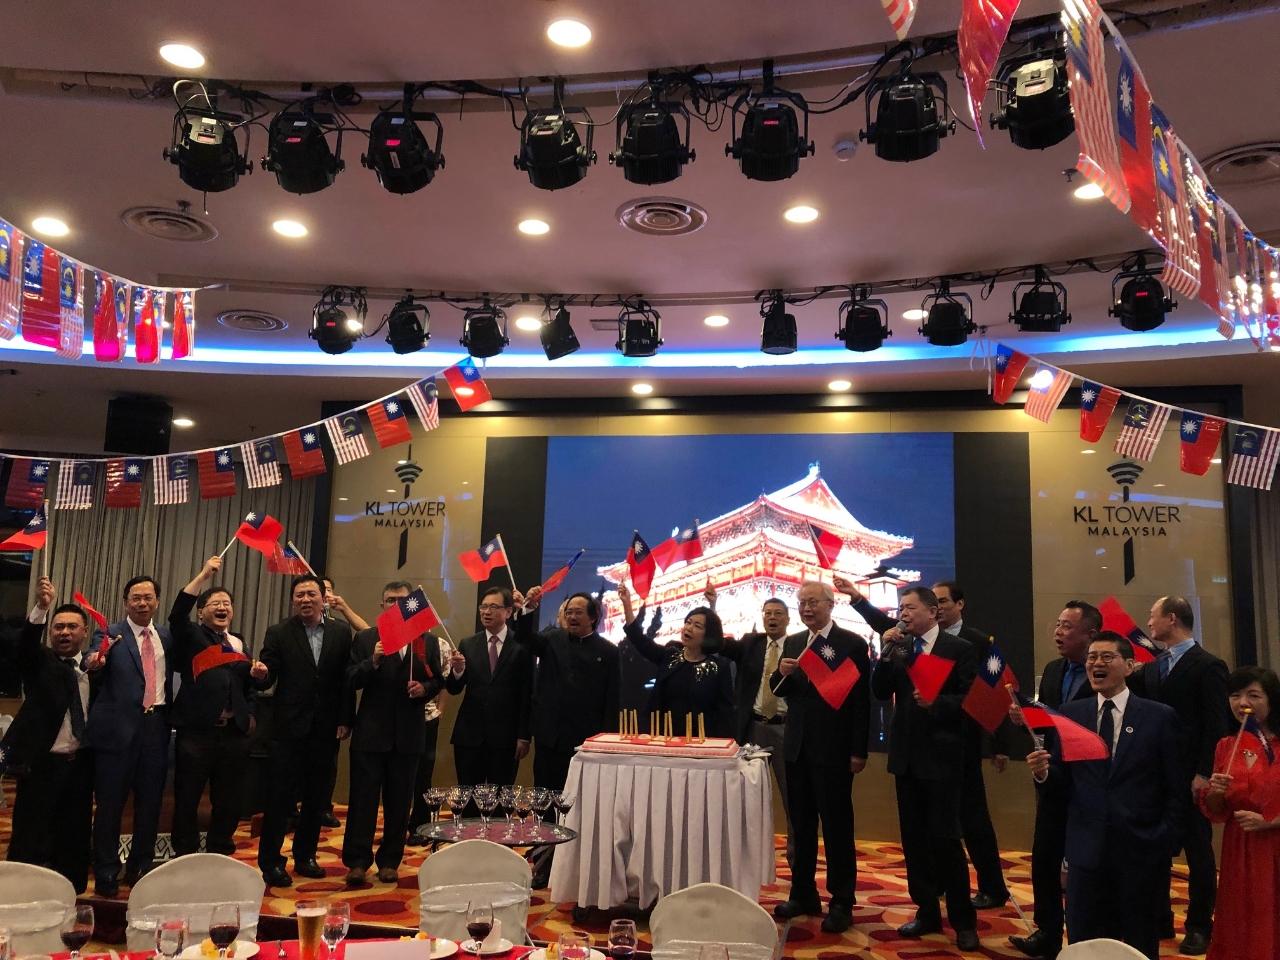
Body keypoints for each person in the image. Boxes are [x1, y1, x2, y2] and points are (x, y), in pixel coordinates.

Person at [1025, 632, 1185, 960]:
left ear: (1129, 666)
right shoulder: (1071, 714)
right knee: (1087, 941)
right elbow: (1063, 783)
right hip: (1086, 850)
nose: (1096, 663)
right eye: (1091, 657)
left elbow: (1176, 787)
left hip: (1140, 849)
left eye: (1106, 657)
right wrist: (1043, 773)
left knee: (1138, 940)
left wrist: (1163, 839)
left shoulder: (1159, 716)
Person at [870, 586, 980, 951]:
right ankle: (927, 910)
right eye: (900, 608)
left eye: (910, 607)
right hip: (906, 757)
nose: (903, 613)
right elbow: (880, 691)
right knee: (914, 841)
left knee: (946, 841)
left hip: (943, 759)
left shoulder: (959, 650)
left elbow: (972, 701)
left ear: (933, 612)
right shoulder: (900, 647)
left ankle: (964, 920)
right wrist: (884, 657)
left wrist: (939, 703)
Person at [1128, 596, 1230, 956]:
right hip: (1155, 774)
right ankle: (1159, 916)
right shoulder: (1153, 667)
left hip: (1191, 776)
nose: (1148, 623)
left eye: (1152, 617)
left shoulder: (1209, 665)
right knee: (1154, 848)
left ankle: (1200, 925)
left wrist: (1205, 772)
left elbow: (1217, 724)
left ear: (1171, 619)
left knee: (1198, 852)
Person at [770, 579, 870, 935]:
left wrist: (859, 750)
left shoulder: (850, 644)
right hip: (797, 749)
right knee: (801, 826)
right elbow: (778, 689)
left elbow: (861, 702)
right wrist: (780, 674)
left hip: (835, 752)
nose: (807, 609)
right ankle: (803, 893)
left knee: (838, 828)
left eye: (813, 602)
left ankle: (842, 901)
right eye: (802, 603)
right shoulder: (795, 642)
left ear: (830, 605)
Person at [1009, 600, 1101, 960]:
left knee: (1085, 863)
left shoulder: (1104, 674)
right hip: (1050, 776)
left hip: (1090, 780)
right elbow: (1046, 724)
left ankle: (1085, 938)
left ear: (1090, 634)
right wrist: (1025, 719)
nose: (1058, 633)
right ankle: (1047, 933)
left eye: (1067, 627)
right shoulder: (1051, 670)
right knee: (1045, 858)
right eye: (1058, 625)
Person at [252, 574, 355, 888]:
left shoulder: (341, 632)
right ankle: (271, 862)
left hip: (325, 729)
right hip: (288, 729)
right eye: (300, 595)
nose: (306, 600)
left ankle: (306, 856)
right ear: (293, 600)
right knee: (279, 799)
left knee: (316, 798)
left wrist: (345, 718)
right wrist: (261, 674)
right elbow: (267, 677)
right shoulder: (279, 632)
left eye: (312, 594)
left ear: (324, 598)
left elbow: (346, 681)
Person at [516, 587, 620, 887]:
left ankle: (576, 867)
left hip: (586, 746)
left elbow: (612, 701)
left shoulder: (609, 652)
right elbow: (524, 638)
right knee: (545, 803)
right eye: (569, 611)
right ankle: (543, 864)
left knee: (578, 808)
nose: (572, 616)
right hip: (550, 739)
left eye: (578, 612)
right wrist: (529, 608)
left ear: (593, 618)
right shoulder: (550, 640)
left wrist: (606, 742)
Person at [342, 582, 444, 885]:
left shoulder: (427, 642)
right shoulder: (365, 639)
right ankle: (357, 861)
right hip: (370, 735)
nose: (397, 605)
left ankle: (390, 860)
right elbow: (350, 679)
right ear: (382, 604)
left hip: (409, 735)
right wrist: (372, 661)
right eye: (391, 600)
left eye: (404, 600)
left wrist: (423, 688)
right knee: (363, 801)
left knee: (400, 803)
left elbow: (438, 681)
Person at [1, 578, 97, 892]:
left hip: (80, 764)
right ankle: (21, 893)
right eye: (58, 627)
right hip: (42, 765)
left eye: (72, 627)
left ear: (84, 632)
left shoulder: (94, 667)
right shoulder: (39, 661)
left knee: (73, 834)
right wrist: (42, 607)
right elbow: (26, 645)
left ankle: (69, 894)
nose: (65, 633)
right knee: (30, 834)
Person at [86, 574, 174, 897]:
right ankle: (107, 870)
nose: (142, 603)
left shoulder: (165, 635)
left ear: (157, 602)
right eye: (135, 597)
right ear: (126, 602)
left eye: (148, 597)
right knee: (110, 805)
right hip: (117, 733)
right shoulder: (110, 633)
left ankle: (141, 865)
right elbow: (92, 658)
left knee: (151, 804)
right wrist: (95, 660)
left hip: (156, 728)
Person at [168, 556, 256, 857]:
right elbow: (178, 614)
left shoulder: (238, 642)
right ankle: (186, 854)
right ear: (202, 611)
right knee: (188, 797)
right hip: (197, 733)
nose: (222, 607)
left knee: (229, 799)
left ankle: (220, 849)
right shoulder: (193, 634)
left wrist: (251, 709)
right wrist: (204, 574)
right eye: (215, 603)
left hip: (234, 734)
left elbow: (245, 686)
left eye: (227, 603)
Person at [933, 579, 1012, 910]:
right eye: (932, 603)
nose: (937, 608)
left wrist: (999, 743)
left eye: (942, 602)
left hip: (965, 744)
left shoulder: (980, 642)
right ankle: (941, 882)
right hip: (931, 744)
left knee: (973, 819)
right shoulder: (925, 640)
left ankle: (993, 887)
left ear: (960, 604)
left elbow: (998, 690)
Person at [1197, 666, 1280, 960]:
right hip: (1240, 849)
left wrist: (1269, 821)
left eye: (1253, 695)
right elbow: (1218, 811)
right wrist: (1216, 791)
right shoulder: (1226, 746)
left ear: (1271, 701)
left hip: (1274, 844)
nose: (1242, 702)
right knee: (1242, 916)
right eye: (1235, 695)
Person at [721, 596, 794, 858]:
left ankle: (795, 856)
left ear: (788, 618)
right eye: (767, 613)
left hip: (786, 729)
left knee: (792, 797)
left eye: (777, 613)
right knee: (746, 796)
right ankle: (745, 854)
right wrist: (715, 603)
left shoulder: (797, 645)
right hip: (754, 729)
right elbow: (718, 644)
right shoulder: (751, 643)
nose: (772, 618)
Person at [445, 586, 534, 787]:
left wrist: (524, 735)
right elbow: (454, 688)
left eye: (493, 607)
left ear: (509, 612)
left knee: (501, 801)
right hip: (469, 735)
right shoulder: (467, 644)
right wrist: (457, 671)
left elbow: (526, 693)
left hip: (506, 737)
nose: (486, 612)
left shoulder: (521, 645)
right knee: (468, 798)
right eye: (483, 607)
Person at [618, 584, 734, 739]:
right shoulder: (670, 656)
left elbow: (725, 713)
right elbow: (639, 640)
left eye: (697, 625)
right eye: (688, 622)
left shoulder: (719, 667)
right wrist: (627, 604)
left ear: (708, 635)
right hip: (664, 737)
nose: (689, 628)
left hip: (701, 742)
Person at [317, 576, 368, 830]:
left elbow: (369, 635)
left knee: (328, 764)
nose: (322, 595)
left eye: (326, 590)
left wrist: (345, 717)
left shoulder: (340, 629)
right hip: (298, 712)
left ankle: (323, 807)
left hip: (331, 708)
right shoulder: (291, 626)